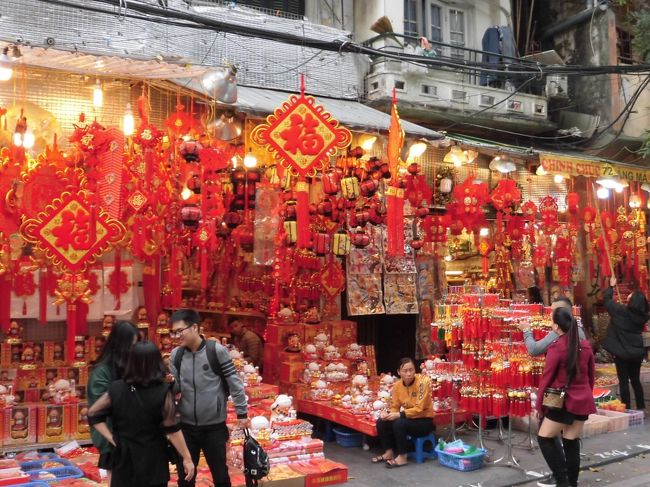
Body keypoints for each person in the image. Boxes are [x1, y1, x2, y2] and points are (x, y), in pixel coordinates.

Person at [88, 342, 194, 487]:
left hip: (124, 457)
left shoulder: (117, 388)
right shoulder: (162, 391)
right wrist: (187, 458)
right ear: (156, 362)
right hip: (153, 459)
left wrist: (112, 438)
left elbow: (93, 414)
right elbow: (173, 429)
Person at [169, 309, 249, 487]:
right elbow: (175, 389)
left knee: (220, 476)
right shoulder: (176, 355)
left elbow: (234, 383)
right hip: (186, 427)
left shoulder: (216, 351)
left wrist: (242, 412)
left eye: (180, 331)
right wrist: (169, 384)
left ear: (195, 327)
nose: (176, 336)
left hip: (214, 427)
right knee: (186, 478)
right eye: (173, 332)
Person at [536, 307, 596, 487]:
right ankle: (572, 482)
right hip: (582, 399)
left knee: (544, 437)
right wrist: (586, 394)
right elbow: (591, 376)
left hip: (562, 402)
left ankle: (562, 480)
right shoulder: (585, 345)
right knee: (571, 442)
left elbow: (547, 379)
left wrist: (539, 405)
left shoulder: (557, 347)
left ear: (556, 326)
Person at [87, 321, 139, 485]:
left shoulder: (130, 366)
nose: (134, 350)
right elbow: (98, 408)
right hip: (113, 435)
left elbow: (135, 392)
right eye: (132, 346)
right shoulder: (102, 371)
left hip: (134, 434)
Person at [371, 357, 434, 468]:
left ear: (415, 370)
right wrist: (388, 413)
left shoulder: (422, 383)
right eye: (405, 371)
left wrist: (399, 414)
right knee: (381, 422)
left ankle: (402, 457)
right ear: (399, 372)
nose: (409, 373)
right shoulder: (397, 386)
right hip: (408, 418)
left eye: (411, 370)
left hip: (424, 420)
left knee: (399, 423)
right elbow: (395, 406)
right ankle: (388, 452)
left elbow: (419, 409)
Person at [603, 277, 647, 411]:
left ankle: (627, 408)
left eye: (631, 295)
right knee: (635, 380)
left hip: (622, 353)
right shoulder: (642, 316)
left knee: (623, 382)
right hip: (636, 353)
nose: (629, 294)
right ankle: (641, 406)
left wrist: (611, 286)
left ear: (632, 300)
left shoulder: (620, 311)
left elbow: (607, 301)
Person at [518, 297, 586, 356]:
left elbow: (533, 350)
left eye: (554, 311)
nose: (551, 314)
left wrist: (526, 330)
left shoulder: (561, 330)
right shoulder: (577, 328)